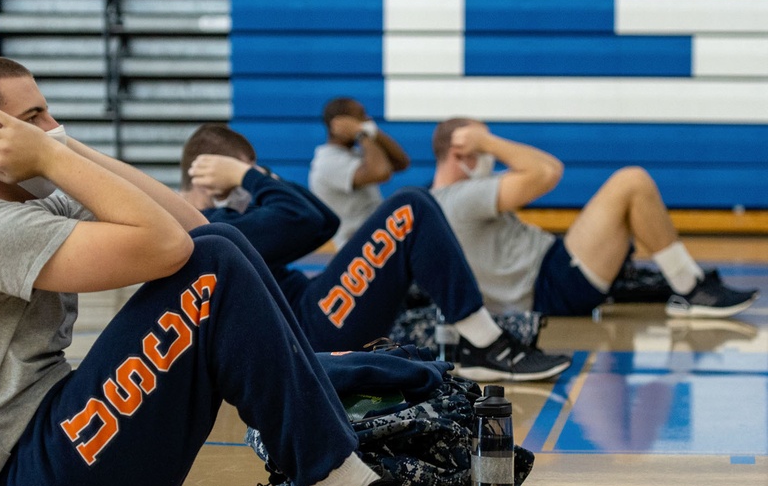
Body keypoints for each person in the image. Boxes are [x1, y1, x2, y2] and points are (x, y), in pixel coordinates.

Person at [0, 56, 491, 486]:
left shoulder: (4, 210)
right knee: (213, 264)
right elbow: (171, 249)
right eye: (36, 116)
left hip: (55, 478)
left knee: (219, 246)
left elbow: (192, 225)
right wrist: (54, 158)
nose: (54, 127)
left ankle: (333, 456)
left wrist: (62, 149)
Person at [180, 123, 571, 382]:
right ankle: (485, 345)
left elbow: (323, 220)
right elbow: (302, 220)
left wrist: (257, 176)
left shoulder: (219, 219)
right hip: (307, 333)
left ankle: (480, 342)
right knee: (410, 208)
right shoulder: (205, 228)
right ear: (205, 176)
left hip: (311, 315)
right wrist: (246, 177)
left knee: (414, 207)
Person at [430, 118, 758, 318]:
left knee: (626, 205)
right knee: (632, 182)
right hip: (551, 283)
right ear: (460, 152)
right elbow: (548, 171)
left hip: (549, 276)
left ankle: (684, 283)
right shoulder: (458, 199)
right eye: (484, 150)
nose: (491, 156)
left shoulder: (442, 201)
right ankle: (690, 288)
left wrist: (483, 142)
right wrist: (486, 140)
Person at [308, 97, 411, 249]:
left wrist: (373, 132)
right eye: (361, 116)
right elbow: (380, 172)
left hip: (377, 241)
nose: (367, 120)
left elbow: (401, 163)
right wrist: (361, 134)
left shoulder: (354, 153)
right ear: (338, 124)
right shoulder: (327, 162)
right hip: (359, 248)